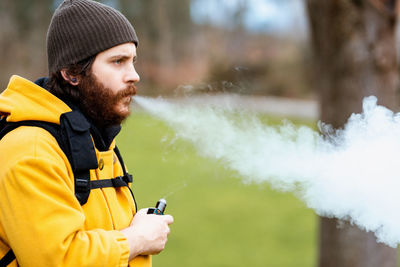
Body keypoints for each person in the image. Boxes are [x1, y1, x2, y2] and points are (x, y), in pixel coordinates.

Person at [0, 0, 173, 266]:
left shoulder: (91, 139)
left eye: (133, 61)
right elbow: (59, 258)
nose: (134, 75)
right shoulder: (31, 151)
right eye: (118, 62)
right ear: (71, 73)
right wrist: (136, 239)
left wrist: (138, 232)